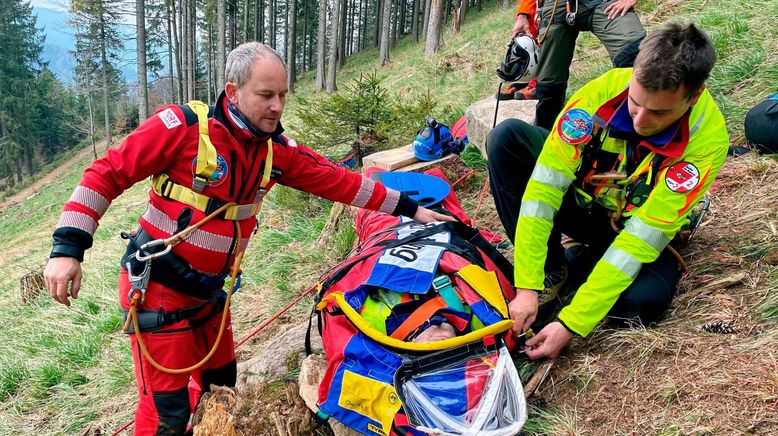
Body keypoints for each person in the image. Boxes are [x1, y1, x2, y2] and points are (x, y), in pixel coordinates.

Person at [43, 42, 451, 435]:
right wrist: (67, 249)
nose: (277, 106)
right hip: (159, 293)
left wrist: (409, 209)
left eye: (283, 95)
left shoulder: (275, 152)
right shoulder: (182, 128)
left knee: (222, 387)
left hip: (211, 296)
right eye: (266, 95)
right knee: (167, 413)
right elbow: (106, 173)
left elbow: (341, 182)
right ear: (233, 92)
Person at [486, 23, 729, 360]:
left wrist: (572, 322)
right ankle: (553, 270)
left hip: (633, 226)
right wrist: (527, 283)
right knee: (507, 138)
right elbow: (543, 193)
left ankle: (587, 264)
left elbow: (641, 238)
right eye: (635, 103)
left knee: (638, 307)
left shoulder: (707, 140)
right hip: (582, 204)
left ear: (695, 95)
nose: (641, 120)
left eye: (659, 112)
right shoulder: (599, 95)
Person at [512, 0, 646, 129]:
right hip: (555, 7)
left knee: (634, 53)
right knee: (548, 85)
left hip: (604, 3)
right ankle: (544, 137)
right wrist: (523, 14)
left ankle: (642, 120)